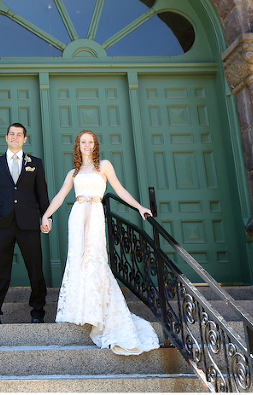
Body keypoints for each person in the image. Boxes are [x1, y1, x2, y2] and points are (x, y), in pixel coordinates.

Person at [41, 130, 160, 355]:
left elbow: (120, 189)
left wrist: (140, 207)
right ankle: (80, 309)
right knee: (77, 258)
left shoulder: (104, 166)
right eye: (83, 142)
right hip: (77, 216)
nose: (87, 145)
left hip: (94, 214)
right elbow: (59, 196)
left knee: (94, 257)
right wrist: (46, 215)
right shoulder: (73, 172)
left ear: (95, 145)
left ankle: (97, 309)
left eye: (91, 142)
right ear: (78, 146)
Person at [0, 123, 52, 324]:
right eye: (12, 134)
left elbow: (42, 194)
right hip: (3, 223)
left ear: (25, 139)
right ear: (6, 137)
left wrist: (47, 216)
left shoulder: (35, 163)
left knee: (35, 269)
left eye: (19, 135)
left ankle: (37, 312)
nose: (15, 137)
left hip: (29, 224)